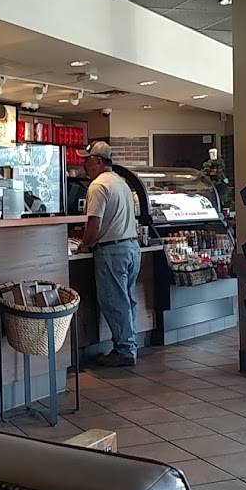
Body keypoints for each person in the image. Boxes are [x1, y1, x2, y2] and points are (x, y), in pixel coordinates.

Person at [76, 142, 141, 367]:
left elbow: (94, 224)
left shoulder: (98, 186)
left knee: (115, 302)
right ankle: (130, 345)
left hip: (112, 251)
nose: (84, 165)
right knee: (128, 300)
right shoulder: (121, 183)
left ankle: (124, 350)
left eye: (87, 160)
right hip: (132, 247)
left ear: (98, 161)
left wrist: (85, 244)